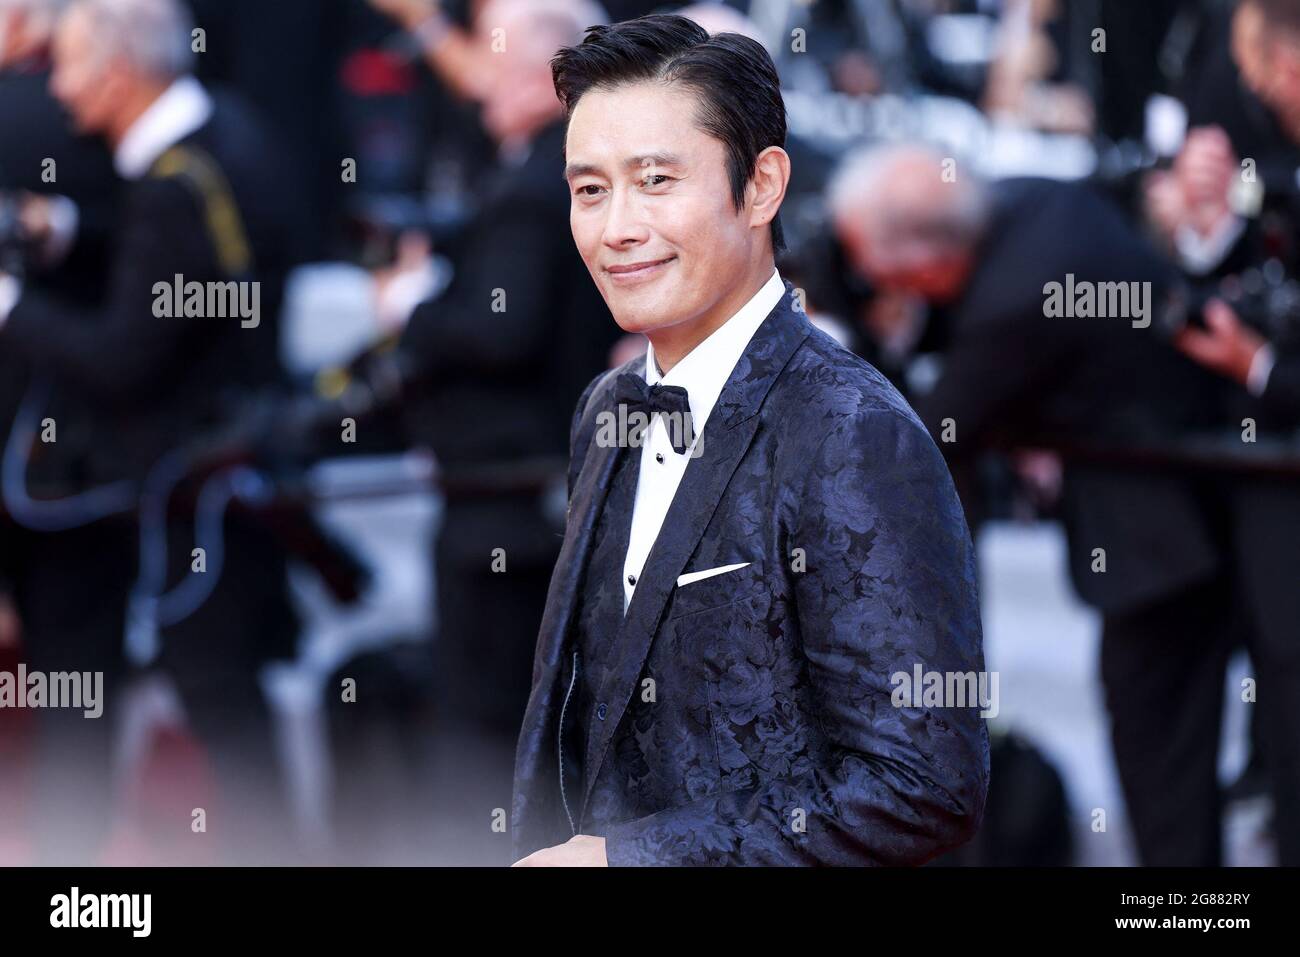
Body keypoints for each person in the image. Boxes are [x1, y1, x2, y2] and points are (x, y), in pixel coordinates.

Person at [511, 15, 988, 867]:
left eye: (656, 180)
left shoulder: (853, 430)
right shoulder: (607, 406)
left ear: (762, 185)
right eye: (589, 190)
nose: (616, 226)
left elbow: (922, 784)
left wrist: (633, 861)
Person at [0, 0, 302, 863]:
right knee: (226, 694)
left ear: (115, 72)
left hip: (198, 485)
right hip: (224, 469)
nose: (54, 89)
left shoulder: (178, 183)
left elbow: (124, 355)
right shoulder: (226, 138)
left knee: (219, 695)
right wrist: (62, 232)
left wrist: (12, 304)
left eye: (65, 65)